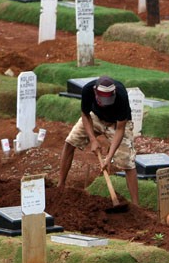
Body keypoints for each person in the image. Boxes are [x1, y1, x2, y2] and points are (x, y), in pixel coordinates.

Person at [58, 76, 139, 205]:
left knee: (128, 162)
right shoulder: (87, 90)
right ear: (95, 92)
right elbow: (85, 115)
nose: (105, 103)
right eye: (102, 100)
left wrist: (109, 157)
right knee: (70, 142)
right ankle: (60, 186)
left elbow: (120, 129)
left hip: (115, 124)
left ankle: (136, 206)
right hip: (94, 118)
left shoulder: (121, 96)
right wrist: (93, 140)